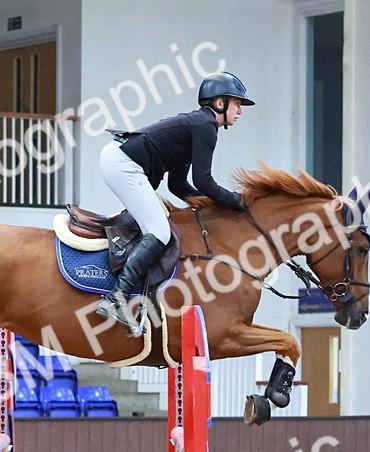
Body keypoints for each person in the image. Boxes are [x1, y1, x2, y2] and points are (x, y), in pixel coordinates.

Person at [96, 71, 254, 335]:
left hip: (119, 159)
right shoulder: (205, 127)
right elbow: (204, 181)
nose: (240, 111)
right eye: (237, 104)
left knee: (155, 225)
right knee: (159, 230)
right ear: (219, 103)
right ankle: (118, 297)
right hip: (124, 164)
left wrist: (208, 207)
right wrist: (237, 202)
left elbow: (177, 184)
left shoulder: (197, 125)